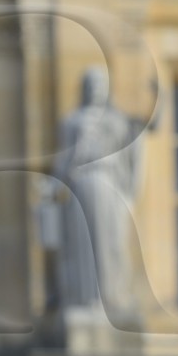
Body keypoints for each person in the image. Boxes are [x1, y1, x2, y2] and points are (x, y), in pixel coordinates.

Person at [51, 67, 142, 321]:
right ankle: (86, 299)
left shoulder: (115, 120)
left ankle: (113, 298)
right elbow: (64, 159)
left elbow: (139, 132)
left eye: (101, 84)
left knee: (111, 243)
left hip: (108, 182)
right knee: (84, 245)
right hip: (82, 184)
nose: (96, 89)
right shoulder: (72, 121)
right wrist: (53, 186)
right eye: (91, 84)